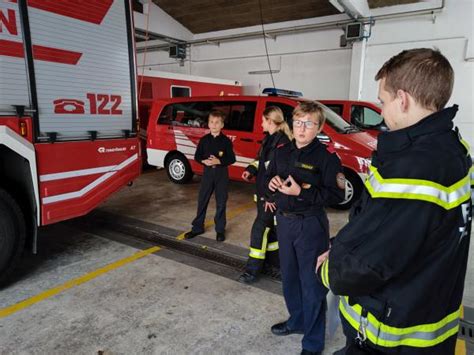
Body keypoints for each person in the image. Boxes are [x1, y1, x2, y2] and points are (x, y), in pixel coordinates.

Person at [317, 48, 472, 354]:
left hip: (391, 336)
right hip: (429, 311)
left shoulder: (413, 170)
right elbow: (378, 225)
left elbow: (368, 264)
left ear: (402, 99)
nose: (383, 110)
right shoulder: (455, 148)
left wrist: (328, 268)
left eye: (383, 101)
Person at [267, 101, 346, 355]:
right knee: (289, 278)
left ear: (319, 127)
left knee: (311, 283)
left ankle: (312, 343)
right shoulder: (281, 150)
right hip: (285, 222)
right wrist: (272, 182)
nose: (301, 129)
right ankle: (297, 321)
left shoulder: (326, 158)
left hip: (310, 225)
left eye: (308, 124)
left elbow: (336, 195)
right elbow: (271, 177)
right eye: (298, 122)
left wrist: (301, 192)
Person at [238, 106, 292, 284]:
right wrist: (250, 169)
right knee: (274, 234)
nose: (261, 123)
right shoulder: (269, 139)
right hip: (264, 197)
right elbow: (261, 161)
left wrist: (271, 197)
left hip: (270, 199)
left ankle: (252, 271)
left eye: (262, 120)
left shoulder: (282, 144)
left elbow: (281, 175)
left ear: (270, 121)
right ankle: (276, 266)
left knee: (259, 231)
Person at [184, 110, 236, 242]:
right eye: (211, 122)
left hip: (221, 174)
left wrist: (219, 161)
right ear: (208, 124)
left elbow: (232, 158)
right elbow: (197, 156)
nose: (214, 125)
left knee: (221, 202)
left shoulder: (226, 141)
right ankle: (197, 228)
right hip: (207, 174)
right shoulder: (204, 140)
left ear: (222, 125)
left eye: (217, 122)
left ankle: (220, 230)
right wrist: (203, 161)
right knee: (202, 200)